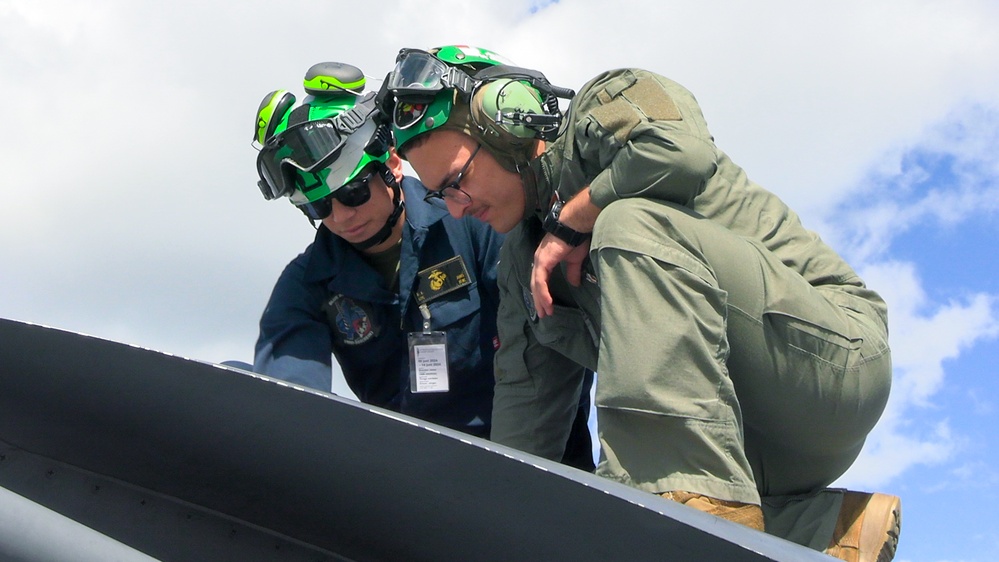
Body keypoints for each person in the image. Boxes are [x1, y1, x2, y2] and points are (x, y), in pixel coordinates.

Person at [382, 47, 901, 561]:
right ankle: (823, 533)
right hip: (760, 451)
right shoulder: (524, 267)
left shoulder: (606, 104)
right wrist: (489, 533)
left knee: (625, 224)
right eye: (438, 196)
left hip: (834, 365)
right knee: (588, 508)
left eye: (457, 182)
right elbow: (526, 418)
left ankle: (689, 514)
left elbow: (680, 149)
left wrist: (576, 216)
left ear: (506, 124)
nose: (456, 207)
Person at [249, 59, 594, 470]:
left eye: (354, 193)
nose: (341, 216)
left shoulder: (477, 222)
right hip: (410, 485)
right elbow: (289, 399)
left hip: (527, 462)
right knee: (234, 386)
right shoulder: (308, 284)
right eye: (320, 206)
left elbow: (543, 355)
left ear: (392, 165)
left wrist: (513, 481)